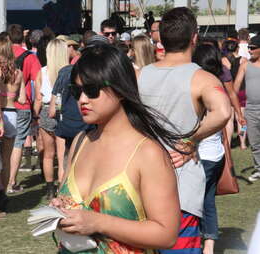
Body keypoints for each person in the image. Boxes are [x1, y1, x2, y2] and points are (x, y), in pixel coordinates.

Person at [51, 43, 184, 253]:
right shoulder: (80, 141)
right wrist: (61, 209)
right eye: (76, 91)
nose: (82, 100)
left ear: (120, 90)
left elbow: (167, 234)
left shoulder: (147, 153)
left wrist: (98, 222)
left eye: (92, 90)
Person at [138, 7, 231, 254]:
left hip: (141, 185)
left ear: (161, 39)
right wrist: (189, 139)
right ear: (194, 38)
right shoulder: (202, 78)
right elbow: (222, 112)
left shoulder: (140, 75)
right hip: (180, 187)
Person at [191, 43, 234, 254]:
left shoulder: (201, 86)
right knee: (207, 199)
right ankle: (208, 243)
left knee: (198, 200)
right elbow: (228, 121)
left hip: (203, 155)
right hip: (215, 153)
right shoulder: (218, 84)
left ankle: (204, 243)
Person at [7, 24, 41, 192]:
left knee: (3, 143)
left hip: (2, 103)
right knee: (18, 143)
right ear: (23, 38)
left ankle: (2, 180)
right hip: (22, 103)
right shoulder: (30, 57)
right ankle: (11, 181)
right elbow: (37, 81)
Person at [34, 39, 68, 199]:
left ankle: (49, 189)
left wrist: (36, 116)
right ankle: (62, 188)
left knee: (48, 154)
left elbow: (38, 98)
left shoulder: (41, 72)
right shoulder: (68, 71)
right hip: (63, 112)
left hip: (46, 112)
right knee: (62, 156)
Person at [0, 34, 26, 193]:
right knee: (6, 159)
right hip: (13, 113)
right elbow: (22, 98)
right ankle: (4, 191)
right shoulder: (18, 73)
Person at [234, 35, 260, 182]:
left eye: (253, 48)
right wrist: (235, 108)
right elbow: (236, 87)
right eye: (249, 47)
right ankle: (259, 169)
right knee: (255, 143)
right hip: (250, 110)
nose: (249, 50)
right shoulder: (245, 65)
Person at [224, 39, 248, 149]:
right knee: (241, 119)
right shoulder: (243, 60)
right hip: (241, 92)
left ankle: (228, 143)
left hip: (227, 92)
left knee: (229, 121)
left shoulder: (223, 60)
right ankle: (242, 143)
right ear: (237, 48)